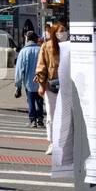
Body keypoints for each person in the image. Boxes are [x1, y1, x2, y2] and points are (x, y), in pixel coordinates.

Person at [35, 21, 63, 151]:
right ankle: (52, 142)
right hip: (52, 86)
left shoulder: (69, 46)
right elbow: (41, 67)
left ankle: (64, 142)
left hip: (67, 86)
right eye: (61, 31)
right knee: (51, 115)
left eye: (65, 31)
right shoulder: (46, 47)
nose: (64, 34)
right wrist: (41, 85)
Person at [15, 30, 44, 128]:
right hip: (41, 81)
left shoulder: (23, 51)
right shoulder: (41, 49)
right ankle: (40, 119)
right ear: (36, 39)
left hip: (29, 82)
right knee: (40, 101)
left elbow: (19, 70)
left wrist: (18, 86)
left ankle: (32, 120)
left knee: (31, 100)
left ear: (27, 39)